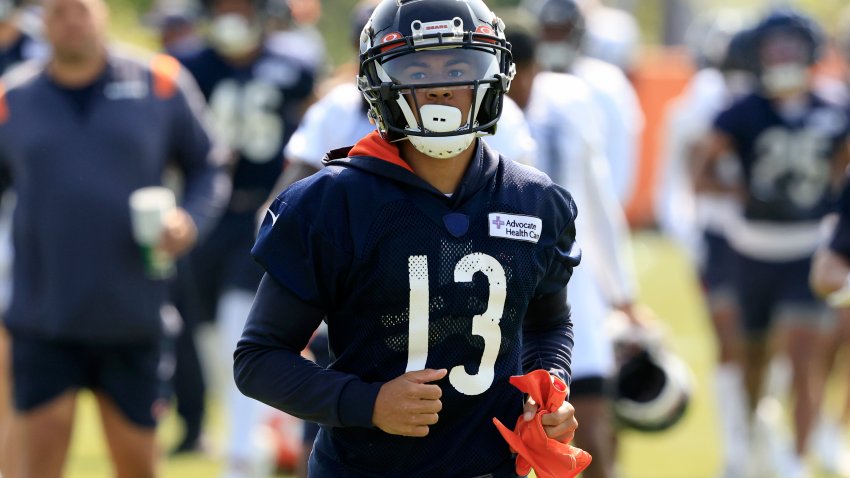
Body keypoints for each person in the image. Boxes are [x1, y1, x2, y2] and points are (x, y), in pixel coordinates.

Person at [234, 0, 582, 476]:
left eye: (460, 66)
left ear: (495, 73)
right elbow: (258, 358)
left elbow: (548, 325)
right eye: (416, 67)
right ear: (381, 83)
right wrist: (368, 403)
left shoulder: (535, 201)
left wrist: (549, 392)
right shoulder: (331, 202)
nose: (439, 86)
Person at [0, 0, 230, 476]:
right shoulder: (12, 98)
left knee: (138, 468)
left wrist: (189, 219)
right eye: (59, 10)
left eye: (81, 8)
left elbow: (209, 163)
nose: (71, 20)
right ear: (42, 19)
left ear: (102, 12)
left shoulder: (159, 83)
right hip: (44, 317)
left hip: (133, 315)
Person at [694, 8, 850, 478]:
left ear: (810, 51)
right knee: (754, 363)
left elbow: (844, 176)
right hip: (752, 251)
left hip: (808, 249)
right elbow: (702, 175)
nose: (782, 55)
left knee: (804, 357)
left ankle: (796, 460)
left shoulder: (836, 108)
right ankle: (751, 436)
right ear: (758, 55)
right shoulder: (740, 111)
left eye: (791, 45)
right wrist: (737, 190)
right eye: (773, 47)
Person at [174, 0, 315, 475]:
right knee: (208, 338)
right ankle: (262, 430)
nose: (231, 15)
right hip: (202, 213)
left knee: (241, 325)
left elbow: (311, 133)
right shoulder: (188, 65)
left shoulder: (295, 62)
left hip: (265, 208)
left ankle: (239, 455)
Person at [501, 11, 641, 478]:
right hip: (504, 287)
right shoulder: (482, 115)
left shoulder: (571, 99)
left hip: (571, 284)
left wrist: (622, 292)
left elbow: (597, 201)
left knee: (594, 420)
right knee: (509, 438)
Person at [520, 0, 643, 206]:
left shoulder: (606, 84)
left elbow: (618, 153)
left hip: (585, 206)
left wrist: (608, 206)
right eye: (549, 31)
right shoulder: (526, 82)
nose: (555, 40)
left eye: (561, 31)